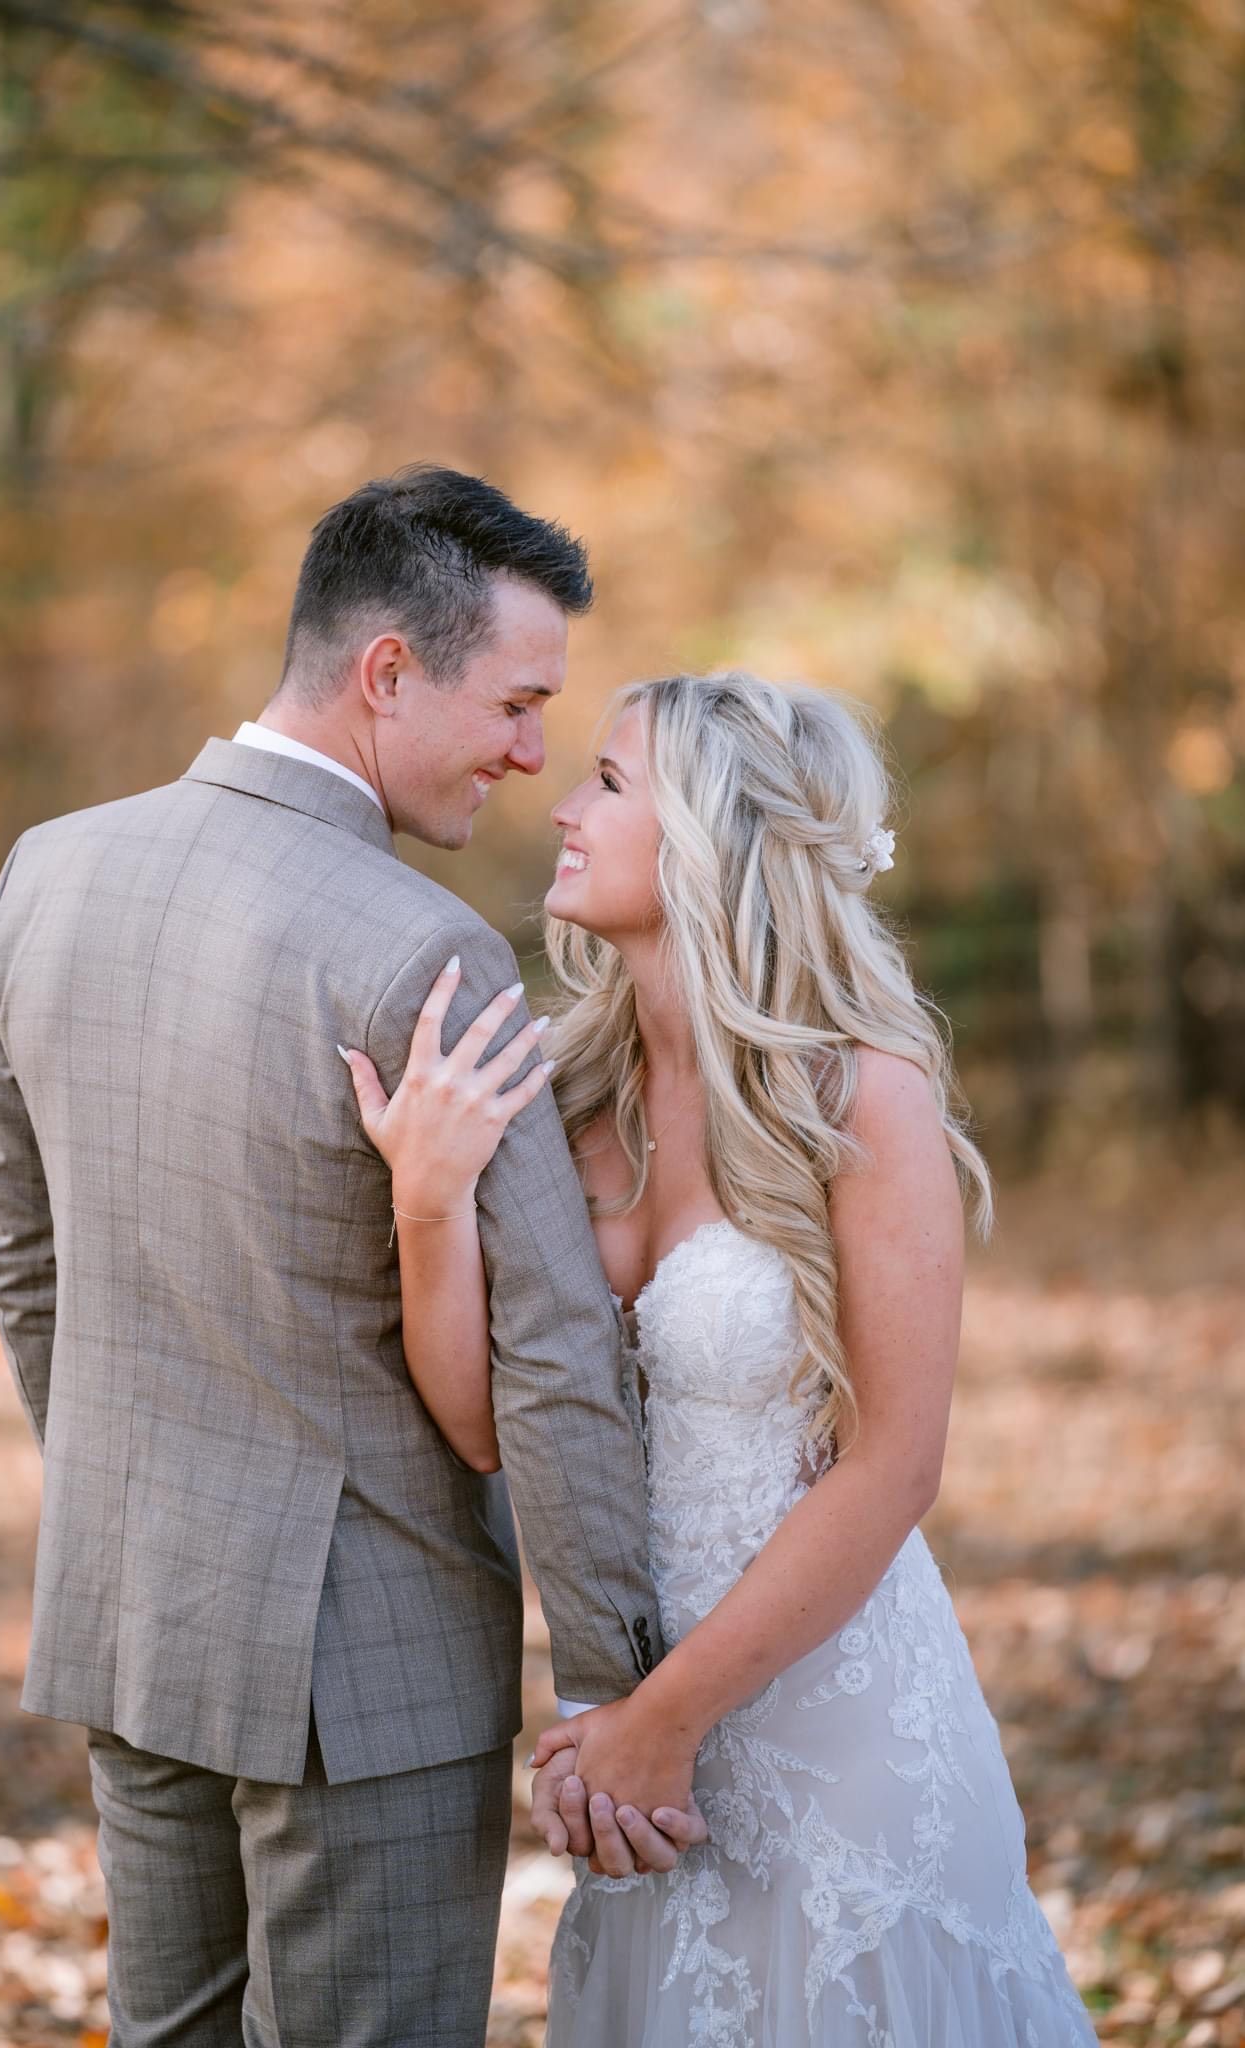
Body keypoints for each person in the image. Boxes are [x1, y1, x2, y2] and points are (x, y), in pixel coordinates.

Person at [0, 463, 703, 2048]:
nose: (530, 752)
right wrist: (607, 1683)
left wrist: (130, 1504)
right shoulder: (416, 948)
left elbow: (26, 1272)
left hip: (129, 1612)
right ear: (386, 671)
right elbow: (551, 1354)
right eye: (514, 703)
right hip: (369, 1662)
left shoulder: (45, 871)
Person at [341, 669, 1100, 2045]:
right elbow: (479, 1424)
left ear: (713, 834)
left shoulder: (860, 1091)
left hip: (831, 1723)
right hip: (624, 1708)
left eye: (609, 784)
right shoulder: (562, 1089)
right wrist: (428, 1198)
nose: (562, 807)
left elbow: (892, 1467)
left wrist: (665, 1720)